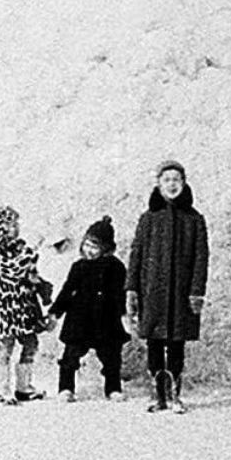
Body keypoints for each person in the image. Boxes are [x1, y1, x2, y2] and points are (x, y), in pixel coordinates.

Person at [127, 160, 209, 414]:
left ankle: (174, 395)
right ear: (158, 184)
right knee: (154, 341)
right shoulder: (149, 219)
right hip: (152, 291)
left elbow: (201, 257)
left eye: (176, 180)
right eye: (167, 180)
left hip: (181, 293)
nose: (172, 184)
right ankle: (157, 395)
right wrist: (132, 288)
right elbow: (136, 254)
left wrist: (196, 290)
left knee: (176, 342)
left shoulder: (194, 220)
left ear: (183, 184)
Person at [49, 215, 129, 402]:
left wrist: (124, 315)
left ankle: (113, 388)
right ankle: (66, 388)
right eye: (87, 245)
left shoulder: (116, 268)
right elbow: (67, 291)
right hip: (80, 319)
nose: (89, 251)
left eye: (95, 247)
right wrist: (55, 312)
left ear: (106, 249)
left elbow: (120, 294)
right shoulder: (79, 267)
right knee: (70, 356)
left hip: (107, 319)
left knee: (111, 358)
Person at [0, 204, 52, 405]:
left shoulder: (20, 247)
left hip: (24, 305)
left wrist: (38, 283)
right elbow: (11, 270)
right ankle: (2, 389)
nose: (17, 228)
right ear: (1, 227)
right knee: (6, 346)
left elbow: (29, 271)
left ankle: (24, 387)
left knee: (31, 343)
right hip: (5, 307)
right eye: (12, 224)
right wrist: (31, 254)